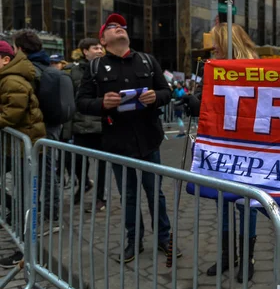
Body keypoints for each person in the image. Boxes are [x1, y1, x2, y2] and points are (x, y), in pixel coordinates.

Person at [76, 13, 181, 263]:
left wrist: (156, 96)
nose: (119, 28)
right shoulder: (95, 67)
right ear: (103, 39)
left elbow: (167, 91)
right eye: (112, 27)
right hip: (118, 142)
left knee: (155, 192)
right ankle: (134, 241)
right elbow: (81, 102)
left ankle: (165, 239)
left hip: (148, 139)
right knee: (129, 196)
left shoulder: (147, 60)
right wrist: (102, 103)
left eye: (122, 26)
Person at [204, 23, 260, 283]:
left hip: (248, 150)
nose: (212, 47)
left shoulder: (256, 70)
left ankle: (247, 258)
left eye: (216, 41)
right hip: (220, 148)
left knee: (246, 204)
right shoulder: (214, 68)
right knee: (223, 202)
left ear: (228, 42)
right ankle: (228, 255)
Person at [0, 41, 46, 267]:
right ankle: (13, 218)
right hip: (16, 148)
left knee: (27, 201)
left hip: (22, 149)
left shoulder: (12, 80)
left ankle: (26, 251)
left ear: (5, 60)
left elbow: (11, 115)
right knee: (23, 200)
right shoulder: (9, 78)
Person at [12, 30, 63, 234]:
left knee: (39, 174)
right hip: (53, 127)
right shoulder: (49, 68)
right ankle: (49, 214)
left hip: (37, 129)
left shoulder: (30, 71)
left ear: (21, 49)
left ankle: (42, 218)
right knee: (48, 171)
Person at [71, 38, 107, 212]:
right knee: (76, 160)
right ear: (85, 51)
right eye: (95, 48)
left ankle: (100, 198)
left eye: (101, 48)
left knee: (102, 164)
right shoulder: (74, 72)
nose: (100, 50)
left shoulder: (107, 69)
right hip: (81, 124)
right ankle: (84, 182)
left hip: (102, 124)